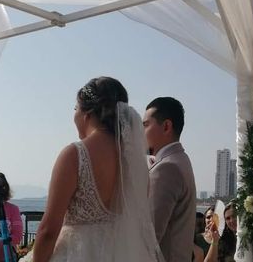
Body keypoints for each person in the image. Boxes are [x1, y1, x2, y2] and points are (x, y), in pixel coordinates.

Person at [29, 76, 163, 262]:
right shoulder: (136, 163)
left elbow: (49, 230)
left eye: (75, 108)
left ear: (87, 114)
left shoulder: (74, 154)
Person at [144, 97, 197, 262]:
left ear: (166, 126)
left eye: (145, 125)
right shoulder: (180, 159)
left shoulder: (167, 168)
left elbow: (148, 236)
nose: (140, 132)